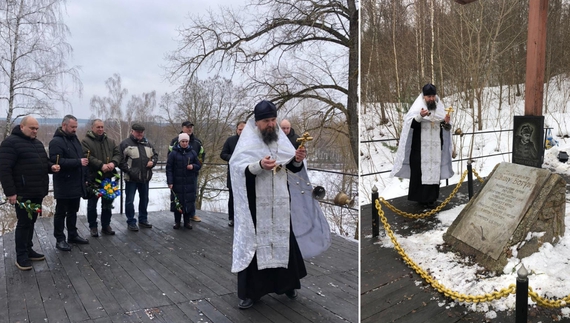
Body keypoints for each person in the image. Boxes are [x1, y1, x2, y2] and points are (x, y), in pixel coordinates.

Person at [229, 100, 330, 310]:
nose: (271, 124)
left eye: (273, 119)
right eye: (267, 120)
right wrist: (258, 166)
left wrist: (298, 160)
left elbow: (290, 167)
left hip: (281, 204)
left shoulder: (280, 140)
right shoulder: (247, 142)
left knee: (284, 241)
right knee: (257, 246)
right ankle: (251, 293)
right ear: (257, 122)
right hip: (257, 206)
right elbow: (237, 170)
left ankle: (287, 285)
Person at [0, 116, 60, 270]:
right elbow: (4, 170)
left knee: (31, 221)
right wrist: (11, 193)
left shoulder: (37, 143)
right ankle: (21, 256)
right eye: (32, 128)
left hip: (37, 191)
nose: (35, 131)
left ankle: (29, 249)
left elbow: (43, 162)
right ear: (22, 127)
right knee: (24, 223)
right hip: (22, 193)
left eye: (36, 128)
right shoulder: (10, 144)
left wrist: (51, 167)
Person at [391, 83, 454, 206]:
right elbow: (410, 125)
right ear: (424, 97)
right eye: (428, 96)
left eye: (432, 96)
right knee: (419, 173)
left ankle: (431, 199)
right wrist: (420, 116)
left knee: (433, 171)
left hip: (435, 149)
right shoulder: (417, 109)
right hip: (419, 149)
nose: (431, 99)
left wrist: (446, 122)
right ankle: (420, 200)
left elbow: (445, 129)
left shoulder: (439, 110)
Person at [49, 115, 90, 251]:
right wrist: (78, 162)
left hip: (76, 182)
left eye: (76, 127)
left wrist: (84, 177)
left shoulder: (75, 139)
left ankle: (72, 234)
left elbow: (82, 159)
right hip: (63, 183)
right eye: (72, 127)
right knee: (61, 212)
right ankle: (60, 239)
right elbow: (56, 161)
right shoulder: (56, 141)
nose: (74, 129)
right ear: (64, 125)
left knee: (73, 211)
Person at [81, 119, 122, 237]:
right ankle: (93, 226)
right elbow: (86, 156)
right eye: (98, 127)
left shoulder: (110, 141)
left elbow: (118, 154)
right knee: (92, 204)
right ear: (92, 128)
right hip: (93, 178)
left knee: (107, 203)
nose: (100, 129)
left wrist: (113, 163)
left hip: (108, 177)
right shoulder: (85, 141)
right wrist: (101, 165)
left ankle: (106, 225)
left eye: (102, 127)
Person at [119, 123, 158, 231]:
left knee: (144, 199)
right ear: (132, 131)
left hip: (145, 177)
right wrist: (130, 171)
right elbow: (120, 161)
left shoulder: (148, 144)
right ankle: (131, 221)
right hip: (131, 179)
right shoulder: (125, 144)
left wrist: (153, 162)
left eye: (141, 132)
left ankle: (143, 219)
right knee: (129, 201)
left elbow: (155, 155)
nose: (139, 134)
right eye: (137, 132)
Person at [169, 120, 204, 222]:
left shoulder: (197, 142)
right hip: (178, 176)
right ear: (182, 128)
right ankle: (178, 219)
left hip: (192, 174)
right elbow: (170, 158)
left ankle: (192, 215)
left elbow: (201, 157)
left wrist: (194, 166)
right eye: (187, 127)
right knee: (178, 196)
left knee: (191, 194)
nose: (189, 129)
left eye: (191, 127)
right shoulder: (175, 141)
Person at [220, 121, 246, 227]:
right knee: (233, 197)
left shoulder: (252, 141)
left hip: (247, 174)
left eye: (244, 129)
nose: (241, 131)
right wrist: (232, 158)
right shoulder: (230, 140)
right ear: (236, 130)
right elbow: (223, 154)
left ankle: (244, 218)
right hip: (233, 174)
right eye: (240, 129)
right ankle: (232, 218)